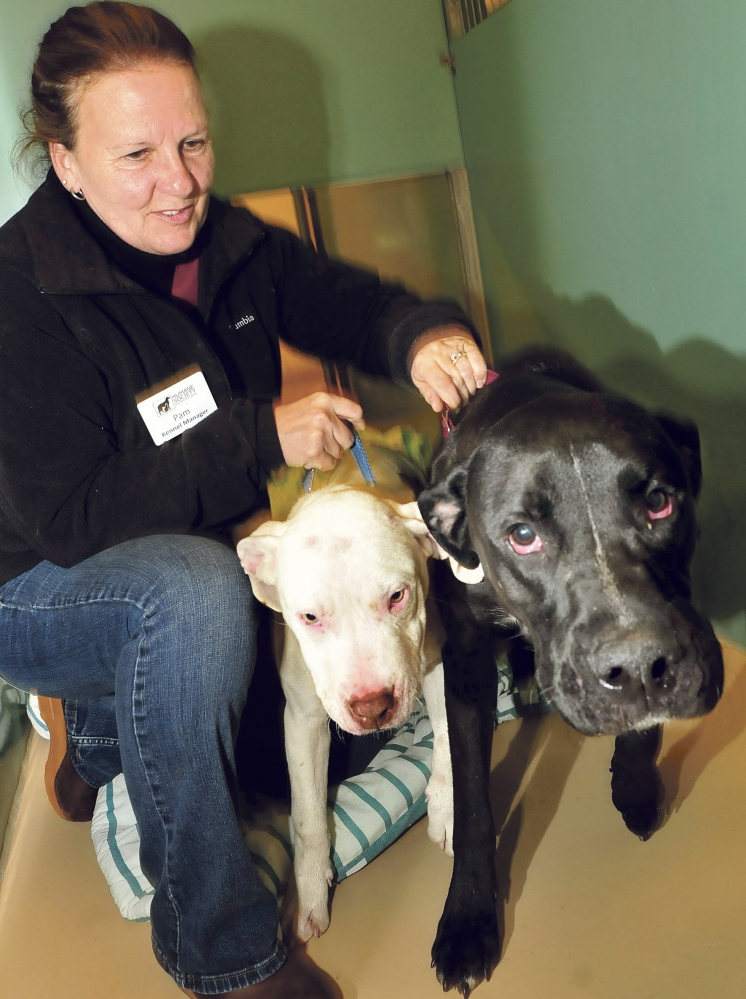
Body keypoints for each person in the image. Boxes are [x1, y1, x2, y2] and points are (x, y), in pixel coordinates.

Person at [0, 3, 487, 997]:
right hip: (33, 581)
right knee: (191, 596)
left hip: (183, 530)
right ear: (66, 162)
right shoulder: (18, 298)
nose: (177, 181)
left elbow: (352, 302)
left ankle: (100, 745)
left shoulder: (228, 243)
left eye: (192, 141)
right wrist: (257, 436)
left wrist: (422, 337)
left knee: (271, 715)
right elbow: (75, 520)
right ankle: (222, 952)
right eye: (135, 153)